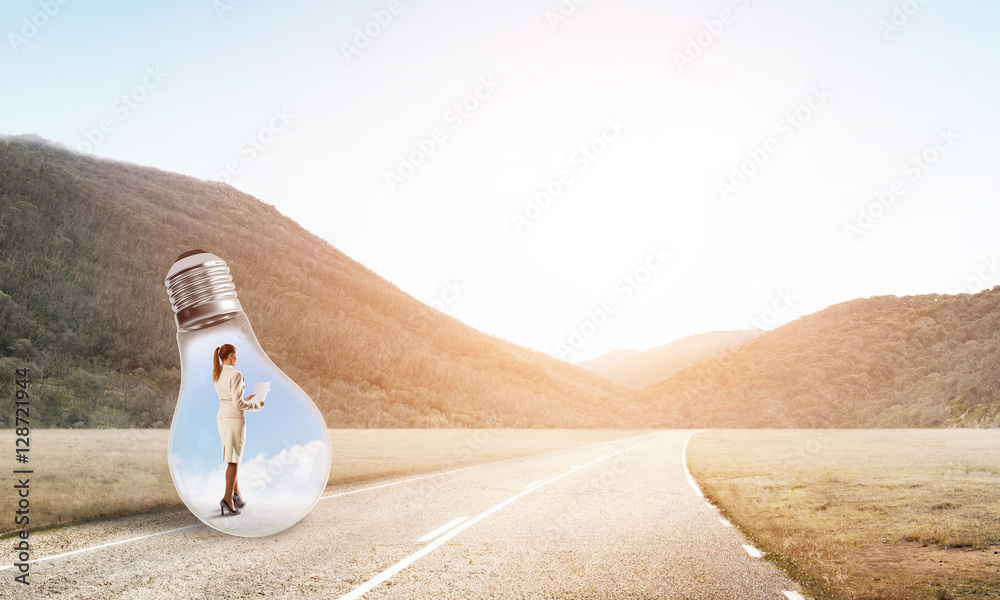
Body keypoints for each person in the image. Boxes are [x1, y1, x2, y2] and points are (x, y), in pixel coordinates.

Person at [212, 343, 264, 516]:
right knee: (234, 460)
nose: (238, 358)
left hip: (222, 417)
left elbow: (232, 398)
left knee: (231, 457)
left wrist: (247, 397)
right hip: (234, 417)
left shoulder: (218, 374)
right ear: (232, 356)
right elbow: (238, 403)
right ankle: (227, 499)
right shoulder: (236, 374)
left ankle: (237, 495)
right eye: (237, 355)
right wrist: (257, 405)